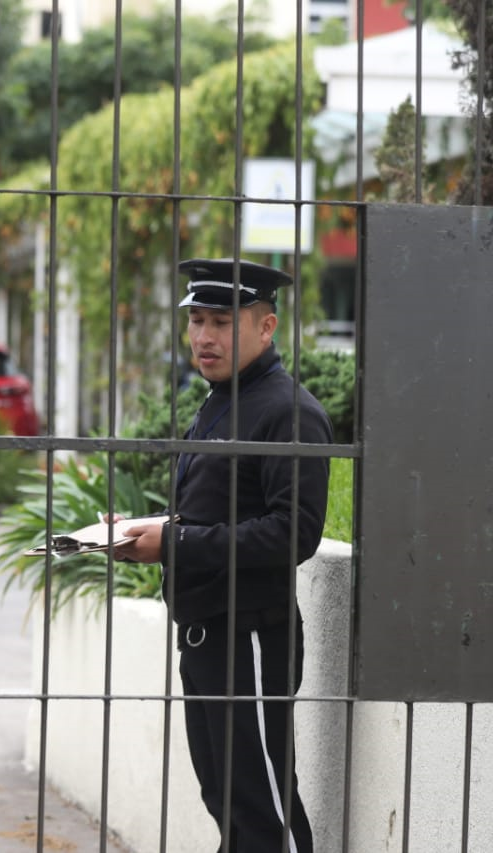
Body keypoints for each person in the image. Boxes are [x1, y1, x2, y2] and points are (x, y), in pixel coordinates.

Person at [114, 258, 331, 853]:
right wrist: (148, 530)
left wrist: (175, 543)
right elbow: (218, 513)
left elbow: (294, 534)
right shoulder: (221, 400)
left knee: (264, 811)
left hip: (252, 638)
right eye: (198, 321)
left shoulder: (287, 411)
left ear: (267, 328)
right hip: (208, 635)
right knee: (227, 801)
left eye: (222, 322)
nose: (204, 337)